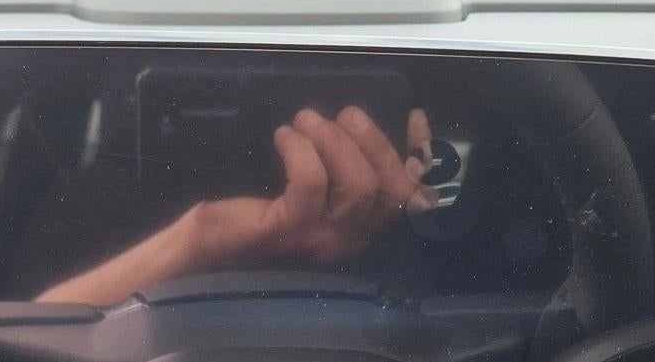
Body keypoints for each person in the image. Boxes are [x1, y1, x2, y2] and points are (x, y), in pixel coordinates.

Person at [38, 106, 436, 306]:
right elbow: (11, 349)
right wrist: (200, 238)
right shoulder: (92, 199)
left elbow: (19, 345)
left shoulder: (79, 196)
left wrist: (430, 221)